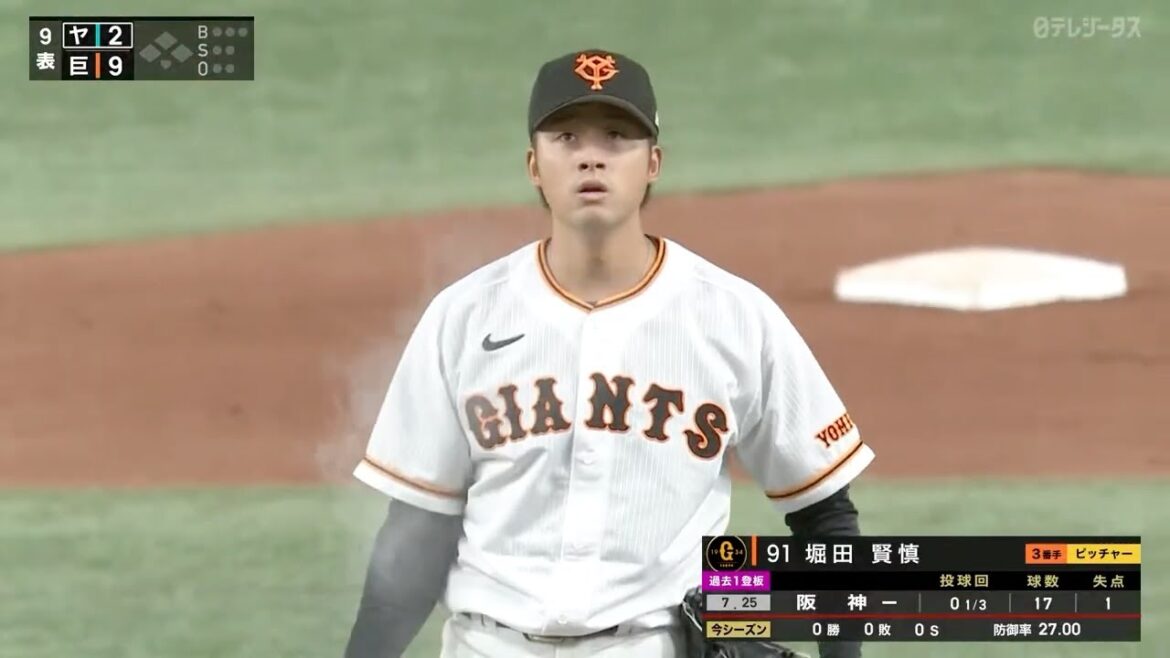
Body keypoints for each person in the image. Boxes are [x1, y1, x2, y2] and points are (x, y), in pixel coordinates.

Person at [342, 49, 873, 658]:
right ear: (534, 165)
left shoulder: (735, 317)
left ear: (653, 164)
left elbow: (825, 518)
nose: (591, 156)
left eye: (617, 136)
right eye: (567, 137)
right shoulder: (463, 316)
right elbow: (415, 534)